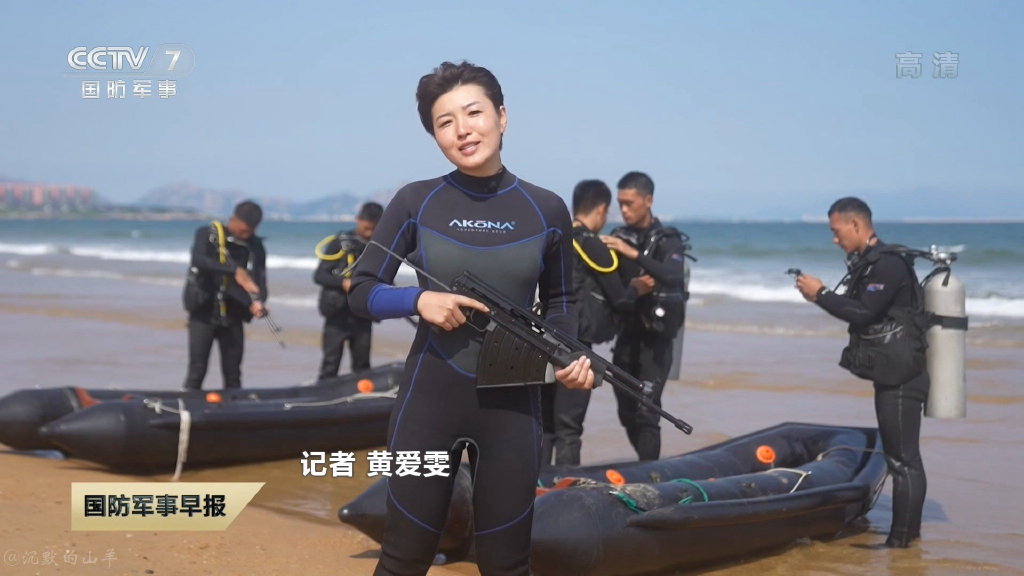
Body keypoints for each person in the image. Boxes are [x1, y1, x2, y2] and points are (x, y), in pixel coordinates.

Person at [347, 61, 593, 576]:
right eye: (445, 122)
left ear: (502, 116)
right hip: (428, 404)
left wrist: (569, 356)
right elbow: (362, 289)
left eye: (474, 113)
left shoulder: (547, 209)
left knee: (507, 565)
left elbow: (563, 303)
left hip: (513, 410)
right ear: (435, 135)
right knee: (404, 558)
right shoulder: (416, 202)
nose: (462, 129)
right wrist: (419, 301)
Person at [794, 196, 928, 548]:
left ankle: (901, 542)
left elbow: (864, 313)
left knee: (903, 461)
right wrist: (821, 295)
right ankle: (907, 540)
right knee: (900, 458)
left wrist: (820, 294)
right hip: (892, 371)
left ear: (855, 224)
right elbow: (858, 308)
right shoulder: (870, 264)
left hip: (903, 375)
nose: (834, 239)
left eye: (836, 231)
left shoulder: (888, 264)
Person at [543, 179, 652, 466]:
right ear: (602, 209)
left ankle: (536, 484)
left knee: (544, 424)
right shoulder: (591, 244)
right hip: (576, 346)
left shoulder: (556, 237)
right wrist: (637, 288)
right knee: (569, 427)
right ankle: (565, 485)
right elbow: (620, 300)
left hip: (543, 340)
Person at [601, 171, 689, 461]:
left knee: (647, 411)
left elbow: (674, 276)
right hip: (627, 335)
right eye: (620, 204)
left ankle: (650, 475)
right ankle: (646, 465)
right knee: (626, 411)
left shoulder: (668, 240)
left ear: (648, 201)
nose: (624, 210)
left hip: (657, 339)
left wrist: (633, 254)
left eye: (630, 203)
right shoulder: (618, 237)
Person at [182, 200, 267, 390]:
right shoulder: (207, 234)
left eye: (250, 232)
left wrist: (259, 302)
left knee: (233, 373)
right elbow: (198, 259)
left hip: (233, 315)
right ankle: (188, 404)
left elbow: (259, 280)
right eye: (243, 231)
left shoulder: (255, 246)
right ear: (233, 220)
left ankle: (234, 406)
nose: (246, 235)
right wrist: (234, 271)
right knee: (197, 370)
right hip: (203, 312)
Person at [313, 201, 384, 380]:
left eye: (374, 229)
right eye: (366, 228)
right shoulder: (339, 243)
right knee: (330, 366)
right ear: (358, 219)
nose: (369, 233)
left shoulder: (378, 247)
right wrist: (343, 283)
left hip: (362, 316)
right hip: (337, 316)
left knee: (362, 367)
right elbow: (319, 276)